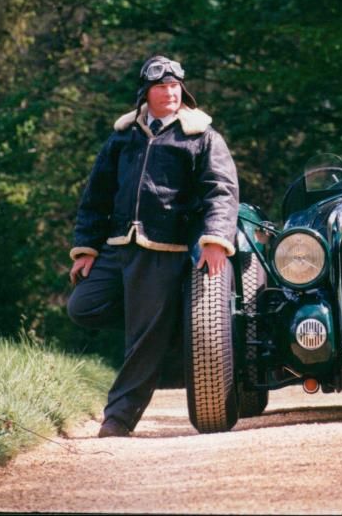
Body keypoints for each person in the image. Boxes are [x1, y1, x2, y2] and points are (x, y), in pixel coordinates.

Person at [67, 55, 239, 438]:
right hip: (119, 247)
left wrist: (215, 241)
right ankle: (172, 325)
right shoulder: (123, 136)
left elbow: (222, 193)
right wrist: (86, 248)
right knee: (84, 306)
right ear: (146, 93)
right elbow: (96, 196)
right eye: (162, 87)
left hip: (167, 251)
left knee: (143, 338)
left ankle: (118, 419)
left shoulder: (202, 136)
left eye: (175, 86)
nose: (170, 92)